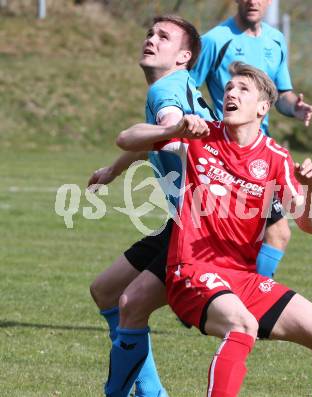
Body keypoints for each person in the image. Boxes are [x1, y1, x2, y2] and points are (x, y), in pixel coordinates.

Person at [117, 62, 312, 397]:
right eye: (228, 88)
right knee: (243, 326)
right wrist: (172, 130)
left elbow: (308, 224)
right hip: (191, 270)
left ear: (262, 108)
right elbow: (126, 139)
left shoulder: (275, 157)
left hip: (241, 278)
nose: (231, 93)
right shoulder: (200, 136)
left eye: (243, 89)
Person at [88, 15, 213, 397]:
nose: (151, 40)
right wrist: (113, 170)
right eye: (150, 34)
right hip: (190, 219)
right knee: (107, 291)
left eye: (164, 37)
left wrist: (175, 134)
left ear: (184, 56)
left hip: (204, 225)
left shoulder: (166, 93)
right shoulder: (180, 84)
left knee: (130, 303)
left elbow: (170, 126)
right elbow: (157, 140)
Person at [190, 0, 312, 278]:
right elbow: (188, 88)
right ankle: (241, 295)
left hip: (260, 150)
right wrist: (204, 124)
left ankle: (250, 294)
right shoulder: (214, 40)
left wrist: (295, 107)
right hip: (223, 151)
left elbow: (281, 94)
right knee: (209, 235)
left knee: (278, 233)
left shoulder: (276, 40)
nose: (252, 1)